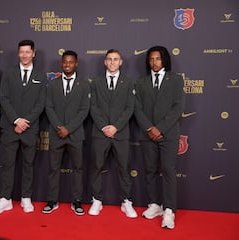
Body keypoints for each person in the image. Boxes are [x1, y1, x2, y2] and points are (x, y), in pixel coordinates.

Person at [0, 39, 46, 215]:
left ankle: (26, 198)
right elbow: (3, 98)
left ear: (33, 53)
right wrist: (16, 120)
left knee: (29, 164)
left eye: (28, 52)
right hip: (10, 127)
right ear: (18, 53)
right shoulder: (8, 73)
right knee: (8, 164)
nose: (24, 55)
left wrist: (25, 121)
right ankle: (5, 199)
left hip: (30, 128)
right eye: (21, 52)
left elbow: (41, 103)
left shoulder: (41, 76)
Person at [134, 46, 185, 229]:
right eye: (151, 59)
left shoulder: (176, 80)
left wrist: (160, 128)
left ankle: (169, 210)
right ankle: (155, 204)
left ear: (165, 60)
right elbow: (137, 108)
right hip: (147, 134)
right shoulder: (141, 83)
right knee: (150, 170)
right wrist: (149, 128)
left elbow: (178, 107)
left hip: (168, 134)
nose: (155, 62)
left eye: (158, 59)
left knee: (168, 170)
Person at [88, 49, 137, 218]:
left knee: (124, 168)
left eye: (116, 59)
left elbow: (130, 108)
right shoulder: (95, 82)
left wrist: (116, 127)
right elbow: (93, 107)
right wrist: (104, 126)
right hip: (100, 132)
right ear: (105, 62)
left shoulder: (129, 83)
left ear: (121, 62)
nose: (112, 62)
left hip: (120, 133)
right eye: (109, 59)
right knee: (96, 167)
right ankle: (97, 200)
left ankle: (126, 201)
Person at [42, 50, 90, 216]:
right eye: (65, 62)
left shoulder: (84, 85)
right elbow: (49, 107)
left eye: (71, 62)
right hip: (56, 134)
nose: (67, 65)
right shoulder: (53, 84)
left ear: (76, 64)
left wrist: (68, 128)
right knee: (53, 168)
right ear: (61, 64)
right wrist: (59, 127)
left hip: (75, 135)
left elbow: (84, 110)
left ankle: (77, 201)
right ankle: (52, 200)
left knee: (78, 168)